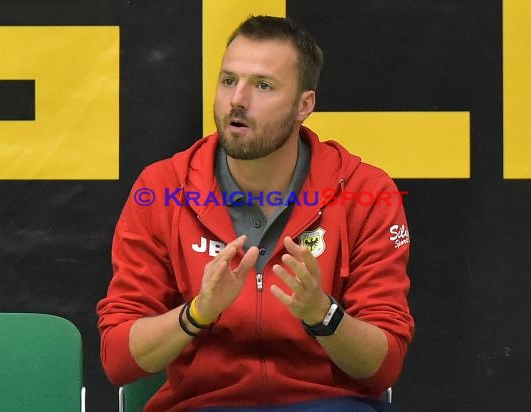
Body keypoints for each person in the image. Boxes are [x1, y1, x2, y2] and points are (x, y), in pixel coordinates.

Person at [97, 15, 414, 412]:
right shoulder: (161, 188)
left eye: (262, 86)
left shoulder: (366, 192)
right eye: (229, 81)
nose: (237, 100)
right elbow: (117, 359)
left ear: (305, 105)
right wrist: (198, 312)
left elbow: (383, 368)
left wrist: (322, 314)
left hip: (329, 404)